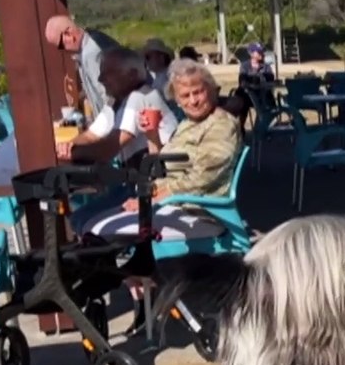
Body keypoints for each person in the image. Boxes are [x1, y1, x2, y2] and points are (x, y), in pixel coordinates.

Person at [82, 59, 243, 334]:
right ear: (177, 100)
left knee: (107, 234)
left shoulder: (221, 125)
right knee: (95, 228)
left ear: (211, 91)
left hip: (201, 211)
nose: (193, 100)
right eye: (186, 95)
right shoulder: (188, 125)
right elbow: (162, 167)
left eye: (198, 92)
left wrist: (154, 199)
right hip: (176, 206)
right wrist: (152, 136)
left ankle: (159, 292)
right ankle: (148, 288)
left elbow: (201, 179)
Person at [43, 15, 119, 123]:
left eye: (60, 45)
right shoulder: (91, 41)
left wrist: (100, 130)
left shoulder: (91, 54)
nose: (62, 51)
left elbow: (109, 96)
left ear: (69, 33)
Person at [142, 38, 175, 107]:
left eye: (148, 57)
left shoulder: (166, 79)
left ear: (161, 58)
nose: (146, 60)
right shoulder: (161, 77)